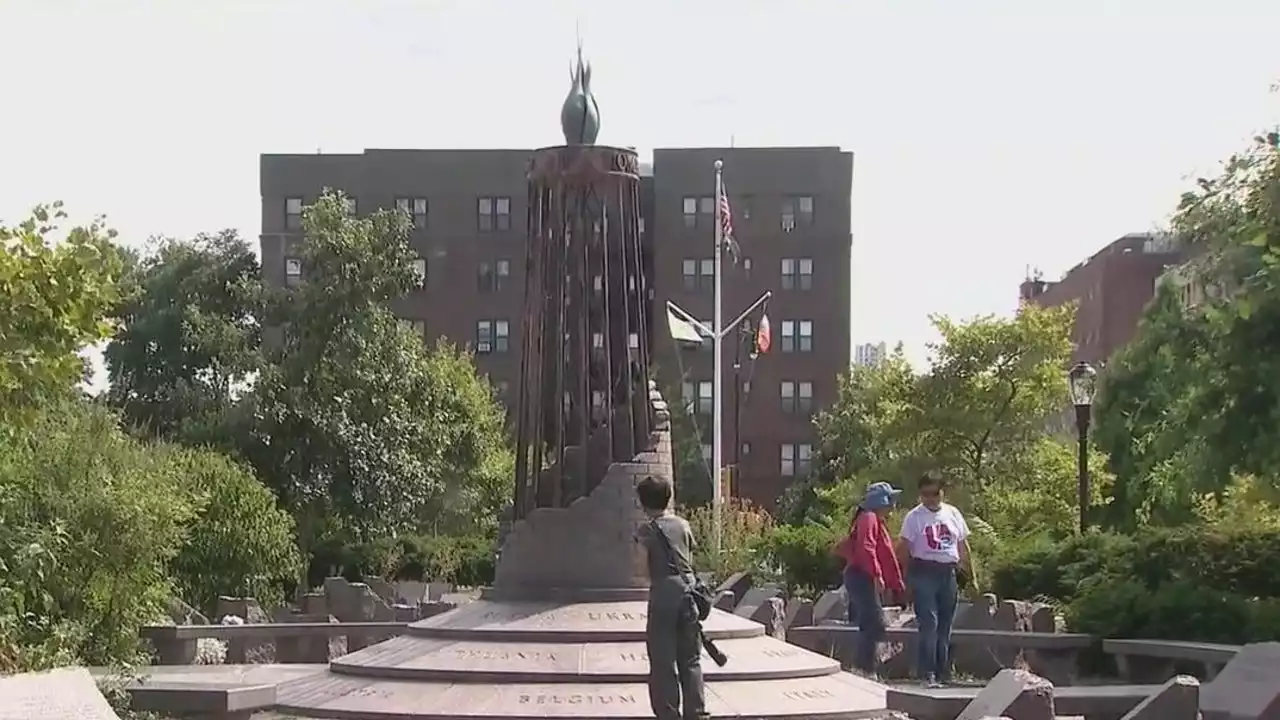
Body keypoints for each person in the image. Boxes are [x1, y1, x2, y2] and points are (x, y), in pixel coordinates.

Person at [634, 475, 708, 720]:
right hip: (688, 594)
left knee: (663, 662)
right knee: (691, 659)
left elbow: (641, 570)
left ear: (643, 502)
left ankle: (668, 714)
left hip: (663, 597)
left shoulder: (646, 530)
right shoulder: (683, 525)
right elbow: (689, 558)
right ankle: (696, 714)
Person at [896, 471, 974, 688]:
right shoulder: (914, 517)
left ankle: (943, 671)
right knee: (929, 623)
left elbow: (962, 544)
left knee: (945, 625)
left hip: (947, 572)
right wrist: (902, 577)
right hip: (923, 571)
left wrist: (969, 572)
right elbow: (903, 548)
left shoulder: (952, 513)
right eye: (925, 494)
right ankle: (927, 672)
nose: (930, 498)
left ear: (942, 493)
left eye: (934, 493)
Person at [833, 481, 906, 677]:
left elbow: (886, 555)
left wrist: (896, 583)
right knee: (873, 622)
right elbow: (867, 548)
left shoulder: (874, 520)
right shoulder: (869, 518)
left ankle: (864, 667)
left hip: (863, 575)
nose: (893, 505)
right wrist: (877, 575)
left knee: (871, 622)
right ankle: (863, 668)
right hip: (861, 575)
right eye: (890, 500)